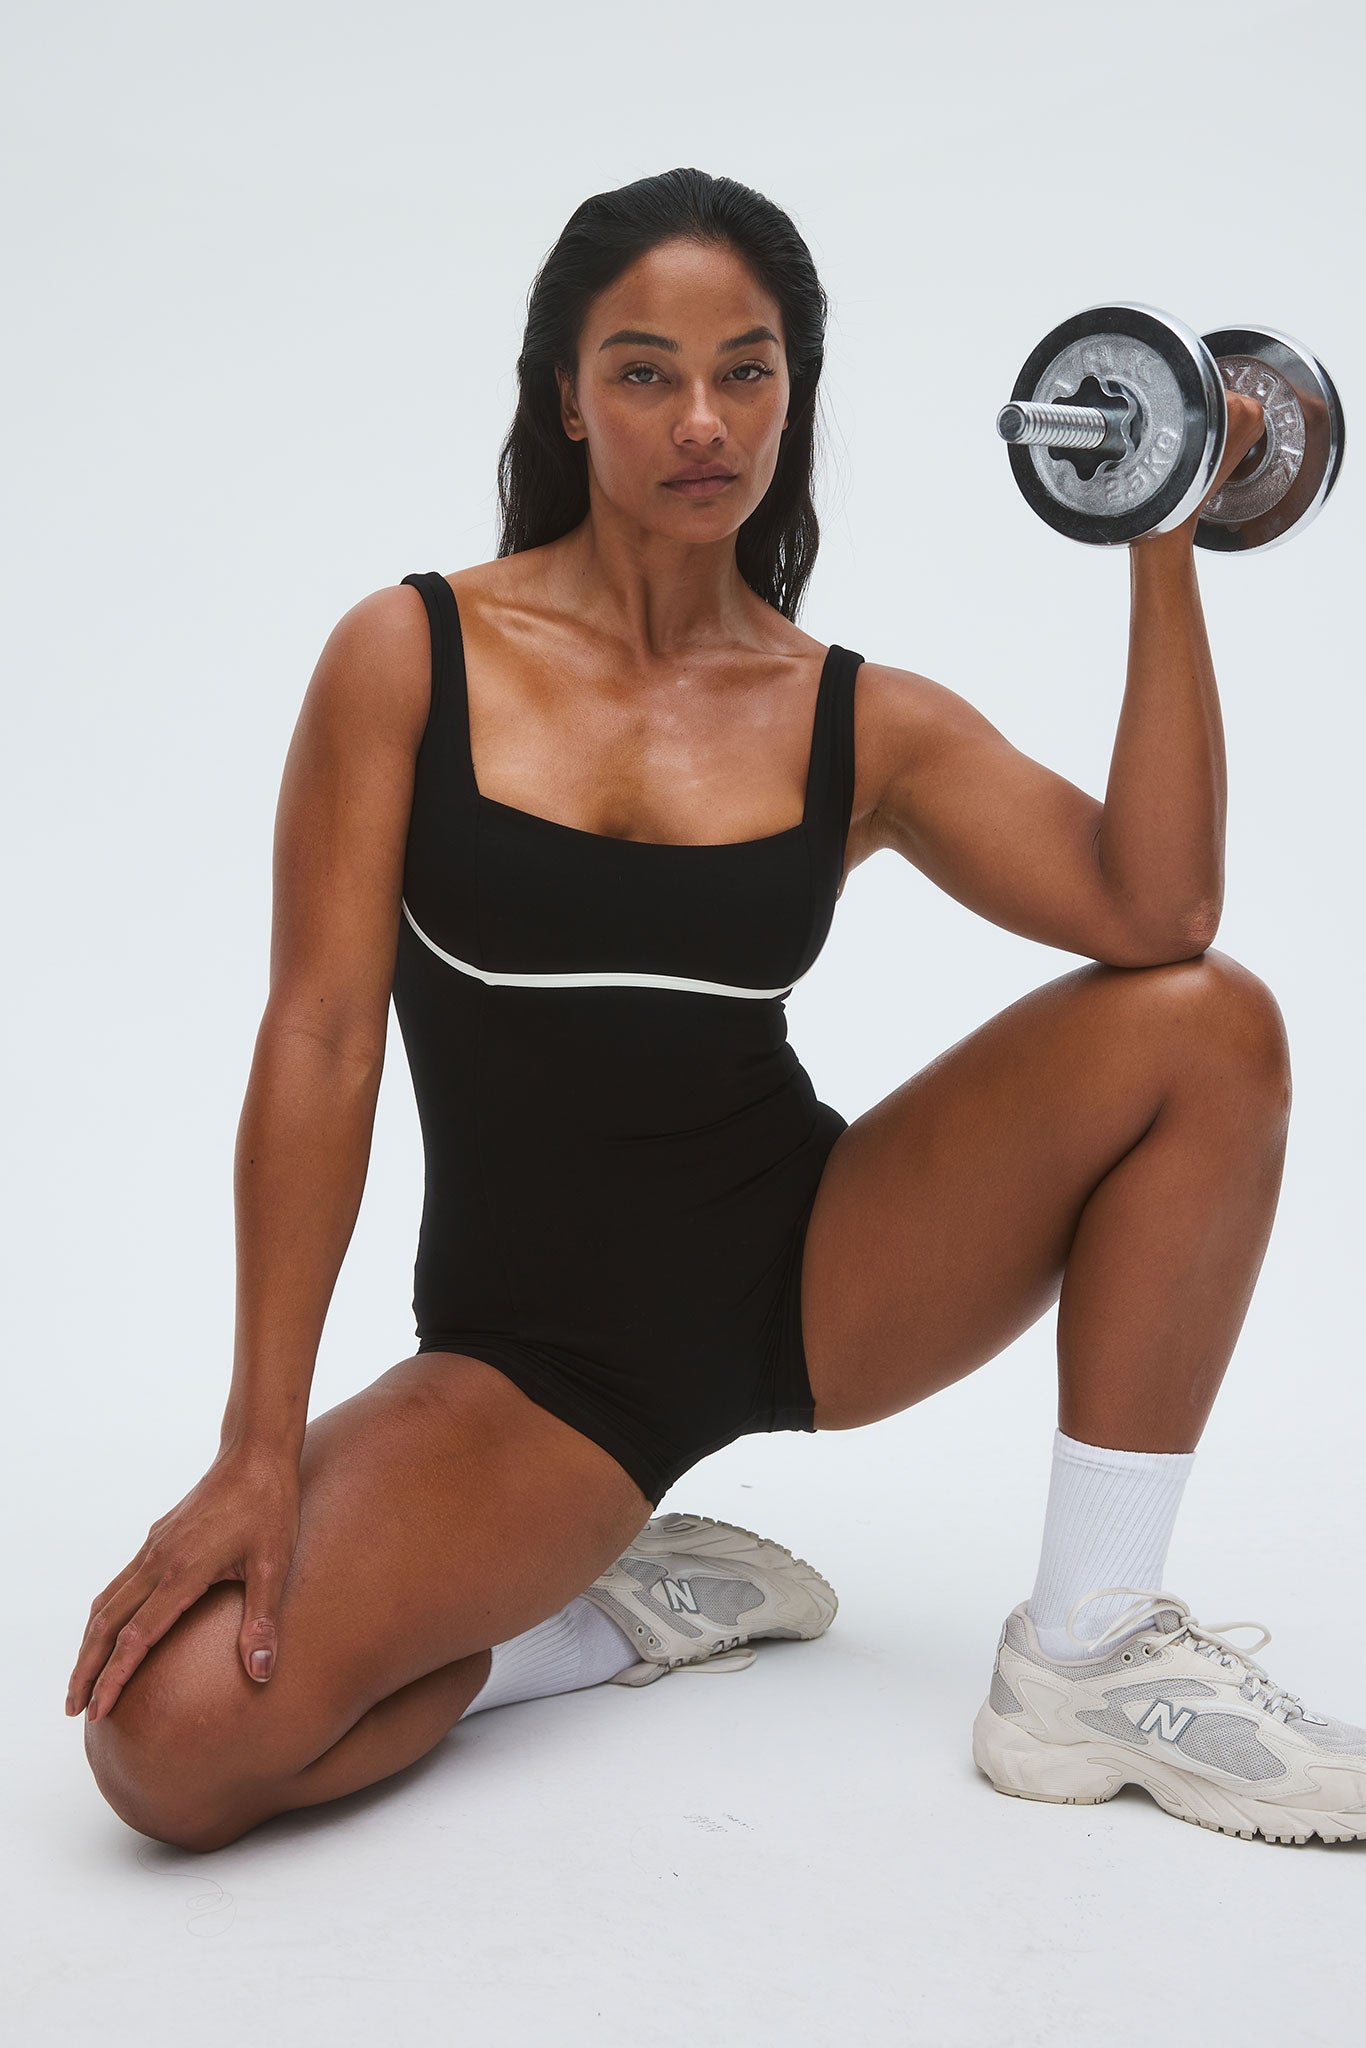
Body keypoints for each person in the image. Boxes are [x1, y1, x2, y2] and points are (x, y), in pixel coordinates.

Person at [69, 167, 1363, 1857]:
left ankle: (1089, 1651)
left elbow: (1155, 908)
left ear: (792, 398)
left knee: (1208, 1020)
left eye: (747, 371)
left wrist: (1160, 526)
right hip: (532, 1372)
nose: (703, 420)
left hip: (810, 1275)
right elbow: (317, 1042)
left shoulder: (853, 718)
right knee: (166, 1754)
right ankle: (585, 1616)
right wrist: (258, 1447)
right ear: (564, 396)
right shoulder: (407, 658)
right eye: (645, 370)